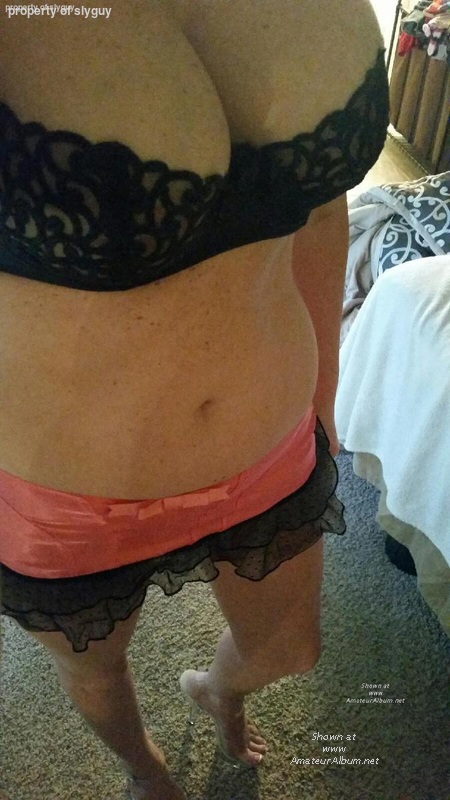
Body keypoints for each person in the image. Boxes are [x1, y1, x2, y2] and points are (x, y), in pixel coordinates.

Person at [0, 1, 389, 798]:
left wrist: (322, 395)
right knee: (98, 673)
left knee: (291, 651)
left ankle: (216, 690)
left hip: (273, 441)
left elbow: (319, 209)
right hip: (64, 496)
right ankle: (144, 768)